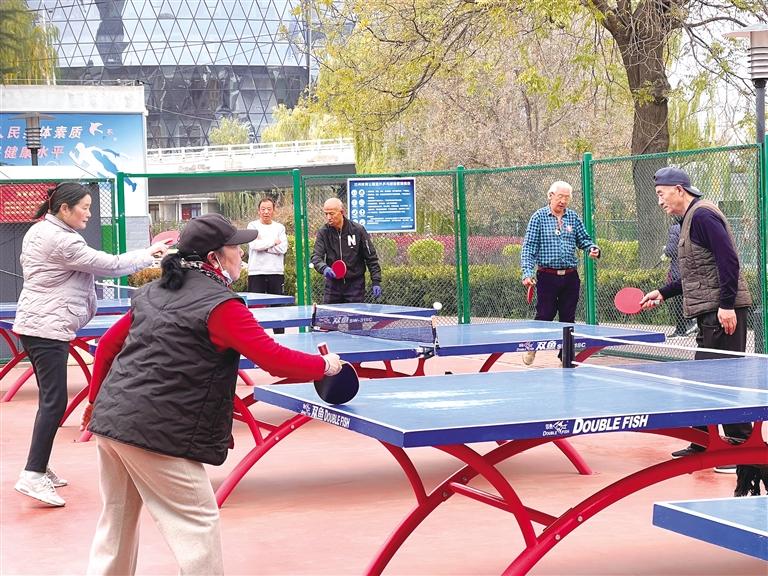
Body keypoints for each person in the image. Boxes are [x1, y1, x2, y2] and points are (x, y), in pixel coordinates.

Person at [81, 213, 342, 575]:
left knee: (116, 520)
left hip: (112, 422)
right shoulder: (222, 307)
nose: (241, 254)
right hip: (157, 431)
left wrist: (95, 402)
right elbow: (273, 358)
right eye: (235, 247)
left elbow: (108, 346)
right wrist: (324, 365)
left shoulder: (153, 292)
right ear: (214, 258)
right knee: (197, 522)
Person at [12, 182, 168, 508]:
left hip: (39, 325)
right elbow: (110, 265)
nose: (88, 213)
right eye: (84, 207)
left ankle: (39, 464)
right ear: (64, 209)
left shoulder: (43, 231)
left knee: (50, 402)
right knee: (54, 403)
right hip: (47, 329)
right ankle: (33, 473)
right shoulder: (61, 239)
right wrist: (150, 254)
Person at [639, 166, 753, 479]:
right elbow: (696, 272)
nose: (660, 201)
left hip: (722, 311)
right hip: (710, 310)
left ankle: (740, 449)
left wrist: (727, 305)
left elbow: (729, 260)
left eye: (661, 194)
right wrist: (663, 293)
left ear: (679, 189)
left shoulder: (703, 216)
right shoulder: (689, 219)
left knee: (722, 379)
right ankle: (703, 442)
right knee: (702, 378)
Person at [520, 181, 600, 365]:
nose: (563, 201)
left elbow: (584, 240)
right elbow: (529, 248)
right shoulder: (538, 217)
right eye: (560, 196)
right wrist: (527, 273)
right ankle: (532, 347)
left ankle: (565, 358)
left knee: (568, 318)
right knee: (545, 315)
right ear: (551, 196)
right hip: (547, 276)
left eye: (567, 197)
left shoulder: (573, 217)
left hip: (571, 277)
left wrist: (593, 248)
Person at [311, 197, 382, 304]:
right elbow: (316, 257)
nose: (328, 217)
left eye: (331, 213)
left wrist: (376, 281)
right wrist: (324, 268)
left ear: (341, 212)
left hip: (355, 285)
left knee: (354, 315)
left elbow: (371, 257)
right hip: (333, 285)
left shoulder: (358, 230)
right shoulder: (323, 232)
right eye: (326, 214)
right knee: (329, 314)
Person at [246, 197, 289, 333]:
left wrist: (264, 245)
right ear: (258, 211)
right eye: (263, 209)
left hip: (276, 272)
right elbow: (254, 245)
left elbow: (283, 248)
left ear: (274, 211)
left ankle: (281, 338)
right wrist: (273, 242)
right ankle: (256, 337)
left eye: (269, 209)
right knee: (256, 309)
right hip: (256, 272)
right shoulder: (252, 226)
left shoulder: (280, 228)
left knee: (278, 308)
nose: (266, 212)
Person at [663, 219, 697, 338]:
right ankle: (693, 322)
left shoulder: (675, 228)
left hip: (679, 270)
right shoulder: (693, 226)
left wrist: (665, 250)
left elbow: (671, 250)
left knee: (678, 300)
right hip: (693, 270)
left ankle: (682, 329)